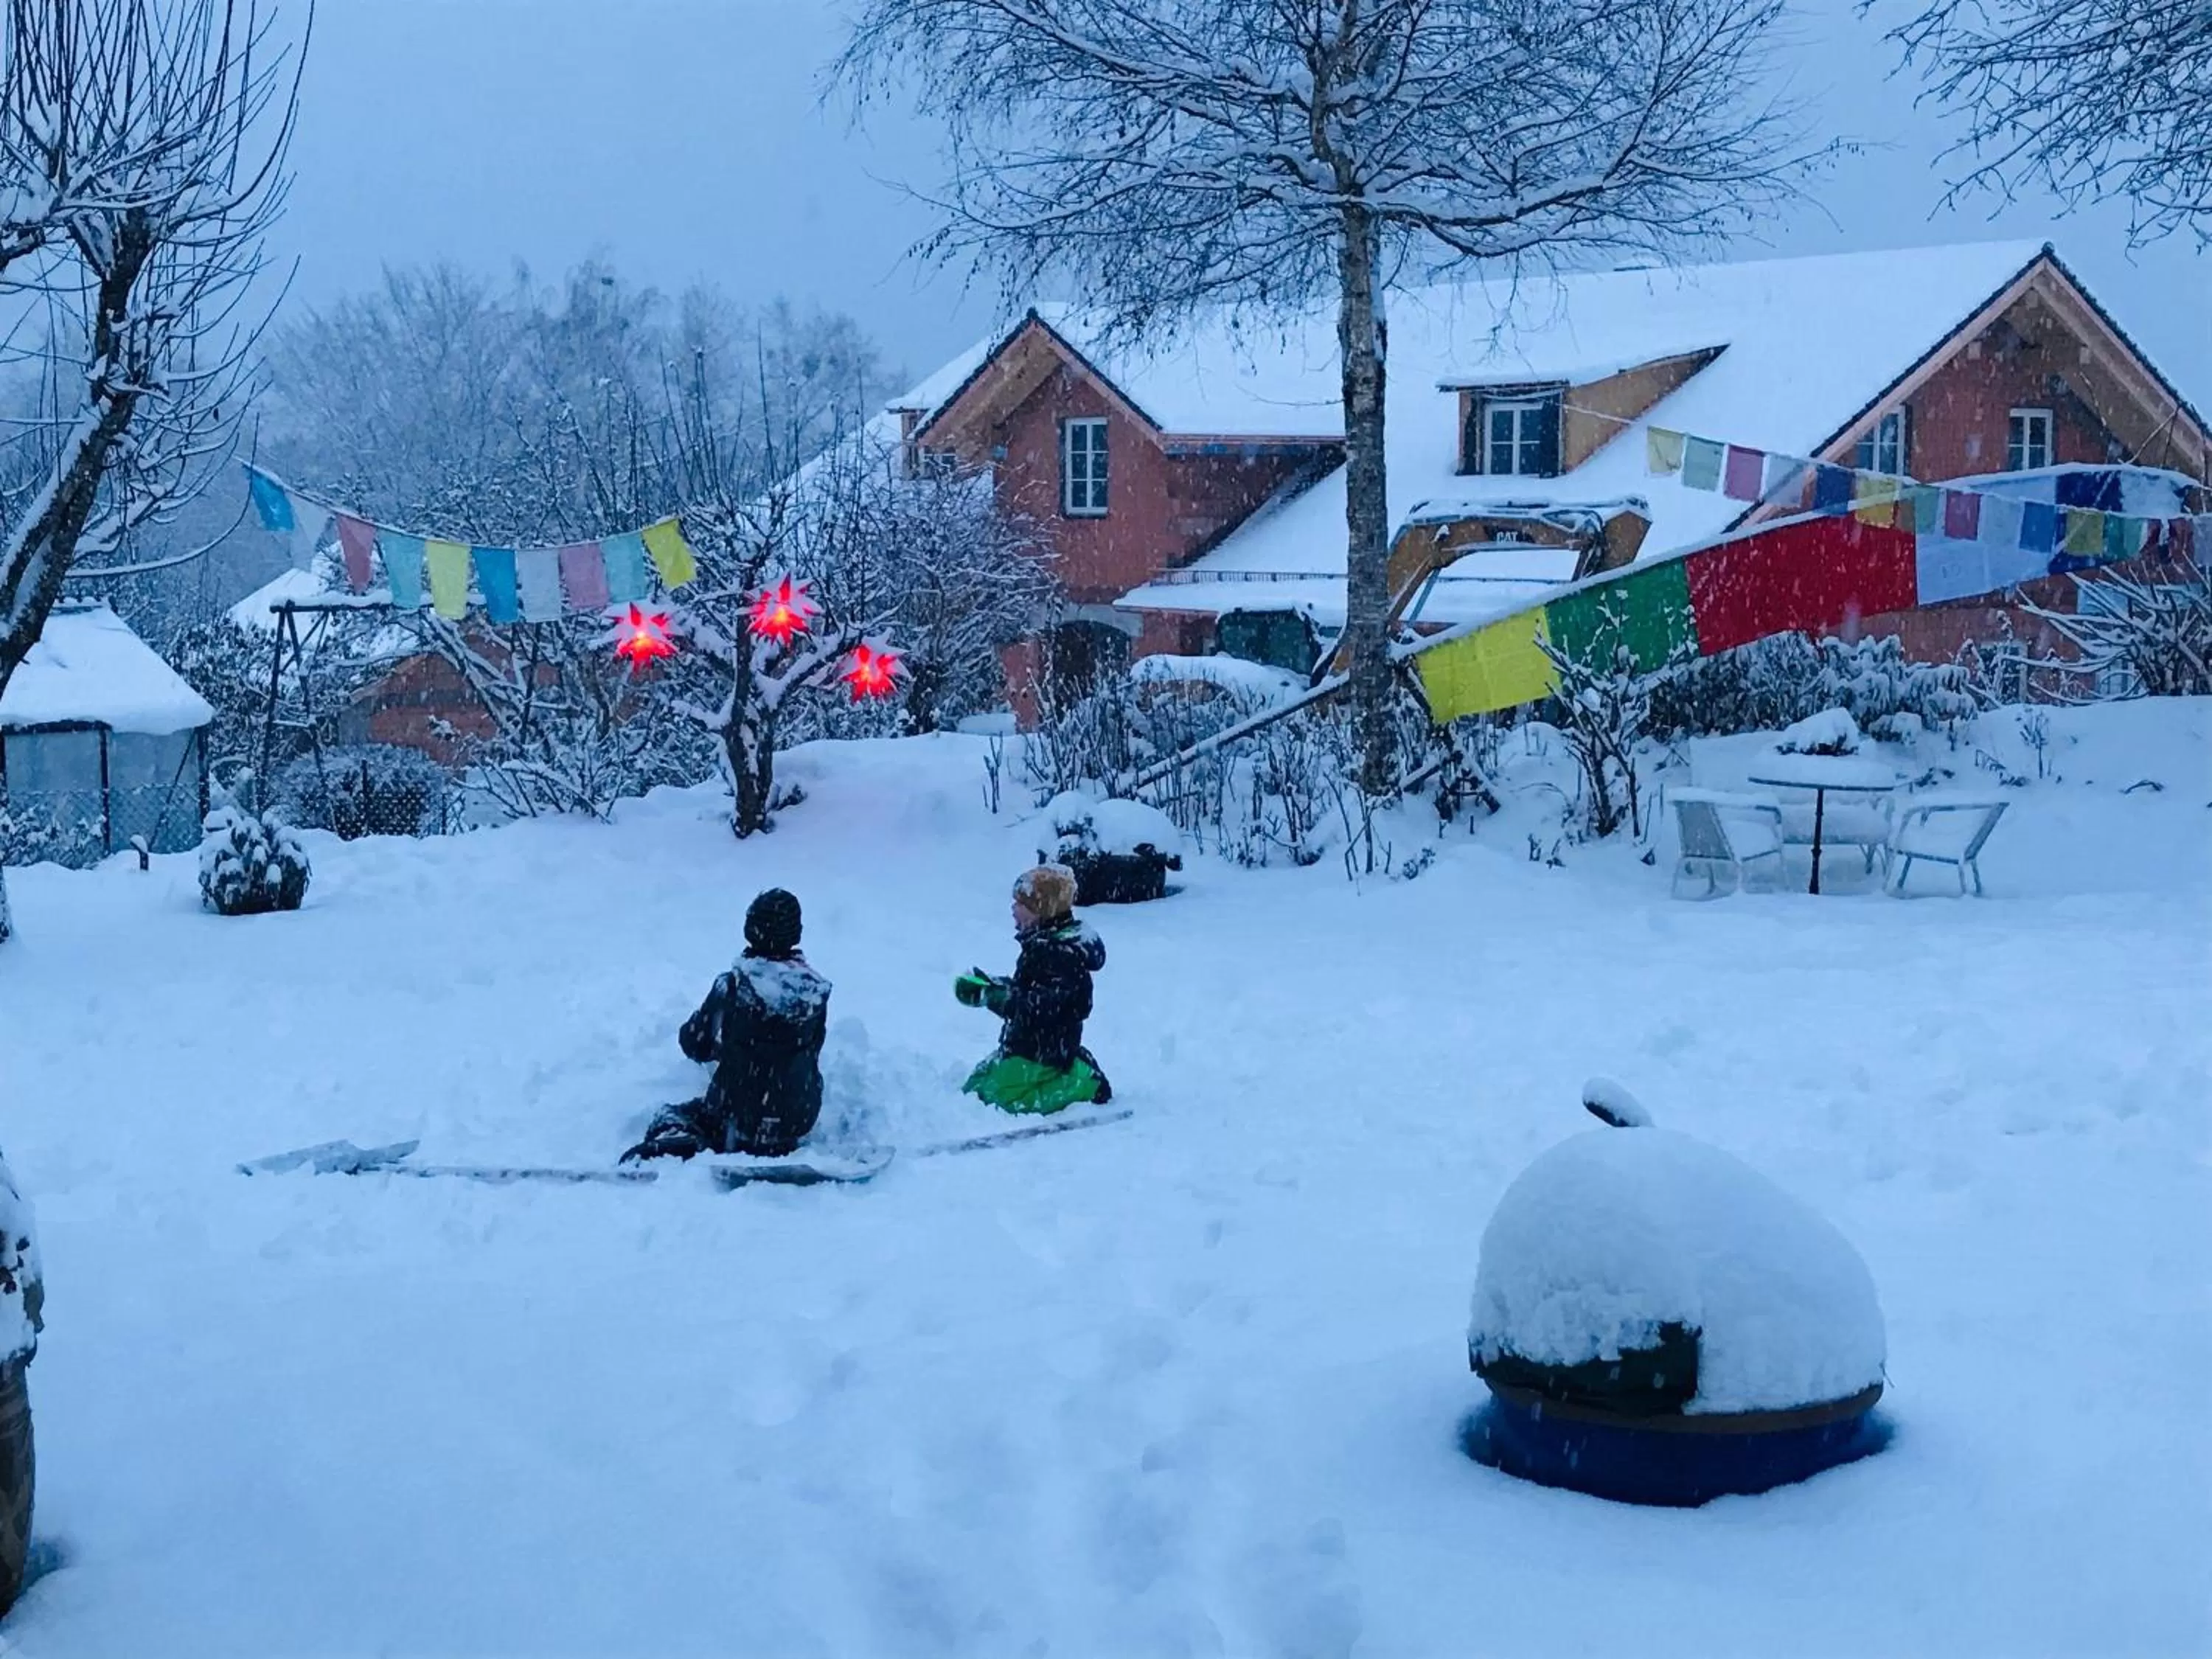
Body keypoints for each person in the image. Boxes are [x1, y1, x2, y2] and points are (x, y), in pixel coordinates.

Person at [622, 888, 830, 1162]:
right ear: (797, 933)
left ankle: (680, 1140)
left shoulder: (733, 985)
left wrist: (725, 1049)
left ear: (750, 929)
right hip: (796, 1119)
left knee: (671, 1115)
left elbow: (696, 1044)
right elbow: (810, 1051)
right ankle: (774, 1137)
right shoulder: (815, 993)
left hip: (734, 1116)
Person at [954, 864, 1110, 1114]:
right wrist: (995, 986)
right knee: (975, 1086)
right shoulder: (1041, 944)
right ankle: (1068, 1070)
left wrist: (996, 998)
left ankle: (1083, 1082)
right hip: (1027, 1045)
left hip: (1044, 1052)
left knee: (998, 1101)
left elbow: (1043, 1005)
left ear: (1041, 910)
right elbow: (1030, 990)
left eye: (1021, 905)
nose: (1013, 909)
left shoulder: (1060, 953)